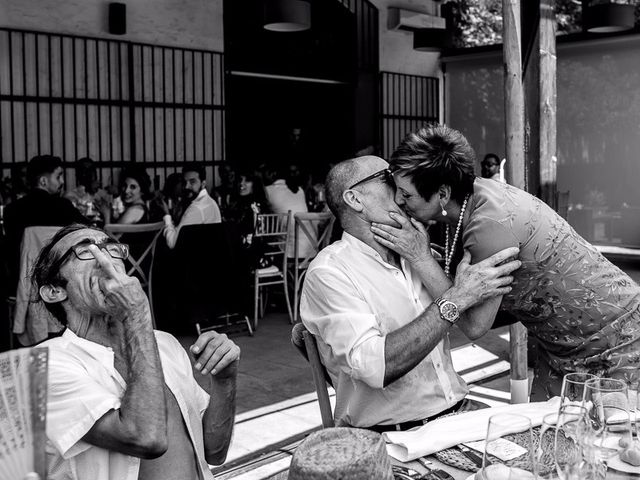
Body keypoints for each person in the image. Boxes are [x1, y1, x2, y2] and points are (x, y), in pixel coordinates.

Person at [385, 124, 640, 399]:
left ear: (443, 194)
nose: (398, 200)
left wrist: (420, 257)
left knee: (603, 436)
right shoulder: (475, 196)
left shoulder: (489, 226)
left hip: (613, 337)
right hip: (562, 344)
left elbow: (474, 325)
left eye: (406, 194)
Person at [299, 155, 521, 430]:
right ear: (355, 199)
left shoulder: (417, 254)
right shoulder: (330, 272)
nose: (403, 187)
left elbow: (475, 324)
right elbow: (374, 366)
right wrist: (455, 298)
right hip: (392, 434)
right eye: (388, 178)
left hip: (458, 411)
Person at [33, 224, 240, 480]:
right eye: (85, 251)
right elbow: (146, 438)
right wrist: (137, 313)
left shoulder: (164, 344)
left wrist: (224, 380)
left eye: (111, 248)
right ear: (54, 291)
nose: (104, 257)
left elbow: (214, 452)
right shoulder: (46, 366)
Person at [4, 155, 87, 285]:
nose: (62, 181)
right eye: (58, 176)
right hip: (60, 282)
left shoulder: (11, 210)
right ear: (43, 181)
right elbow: (88, 231)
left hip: (21, 283)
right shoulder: (64, 207)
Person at [162, 165, 221, 249]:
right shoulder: (210, 201)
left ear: (203, 184)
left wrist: (166, 214)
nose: (186, 186)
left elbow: (172, 243)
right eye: (184, 182)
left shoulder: (197, 208)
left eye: (192, 182)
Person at [265, 162, 313, 258]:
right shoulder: (300, 190)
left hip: (289, 254)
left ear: (271, 174)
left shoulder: (268, 191)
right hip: (311, 252)